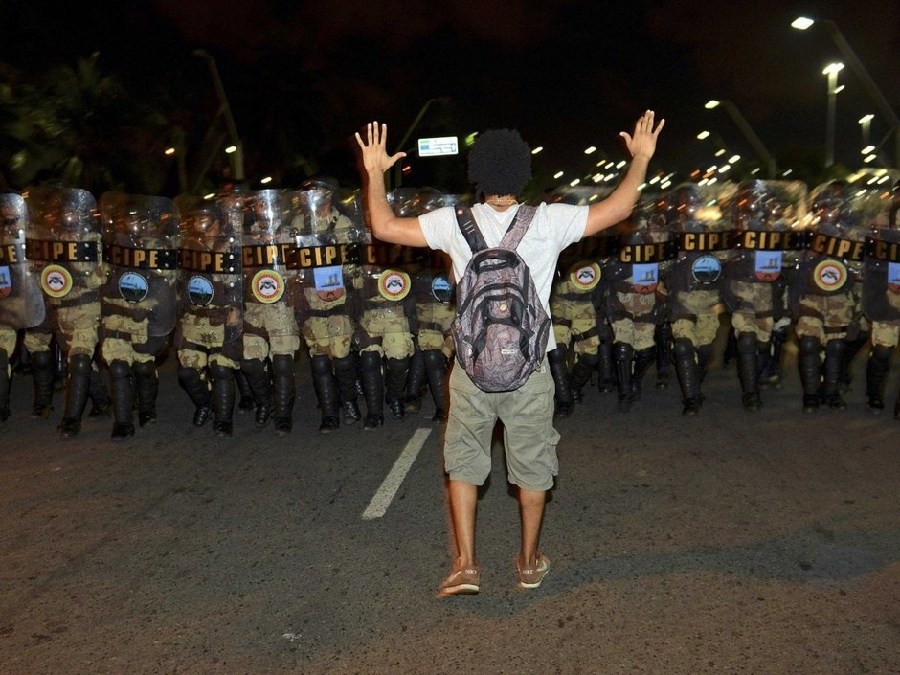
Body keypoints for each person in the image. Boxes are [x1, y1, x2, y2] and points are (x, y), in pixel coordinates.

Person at [354, 111, 663, 596]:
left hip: (472, 370)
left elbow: (384, 226)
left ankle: (466, 565)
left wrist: (374, 170)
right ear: (523, 172)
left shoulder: (452, 223)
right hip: (530, 365)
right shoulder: (549, 221)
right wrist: (641, 158)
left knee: (463, 461)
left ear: (476, 173)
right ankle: (527, 561)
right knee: (533, 464)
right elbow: (618, 208)